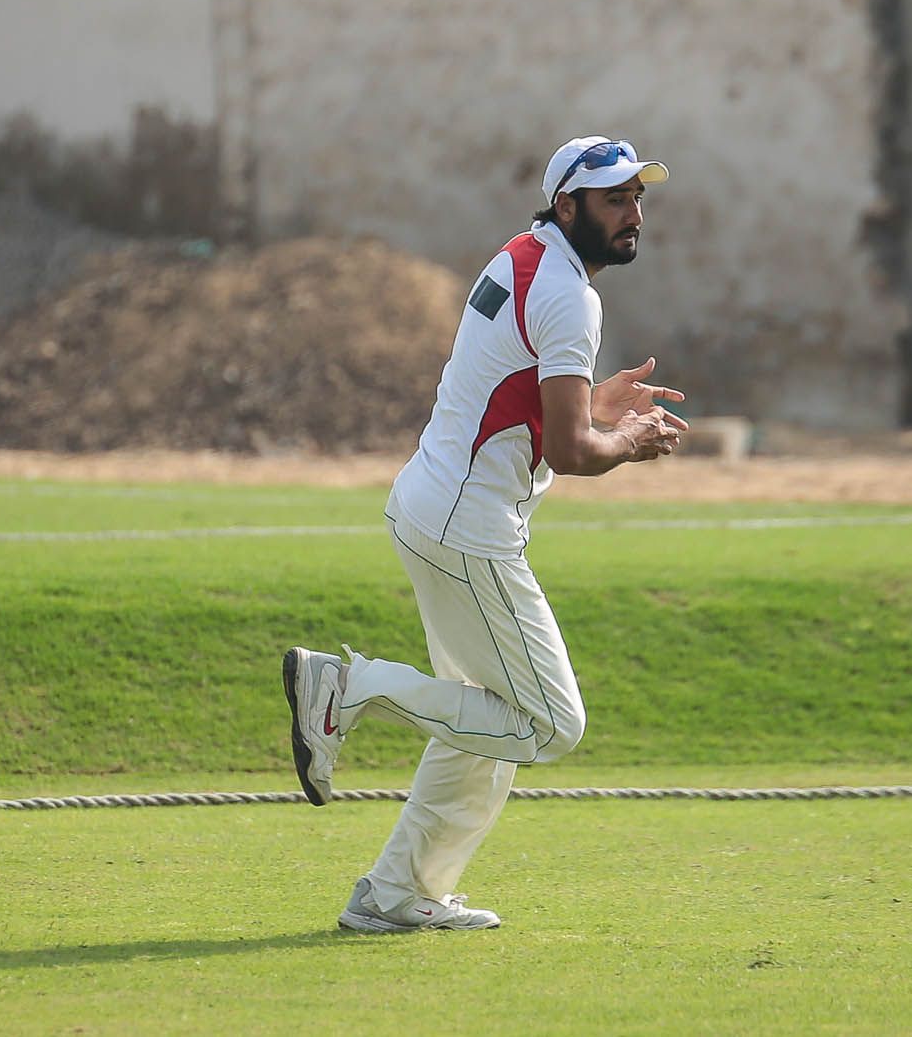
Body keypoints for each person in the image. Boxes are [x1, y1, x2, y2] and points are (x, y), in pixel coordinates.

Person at [282, 136, 686, 933]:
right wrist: (628, 439)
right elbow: (571, 451)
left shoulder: (521, 255)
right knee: (549, 723)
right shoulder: (570, 294)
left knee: (483, 719)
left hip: (428, 505)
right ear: (566, 204)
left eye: (638, 197)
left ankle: (396, 892)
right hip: (468, 530)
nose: (633, 214)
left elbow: (516, 391)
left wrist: (593, 405)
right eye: (614, 198)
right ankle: (348, 688)